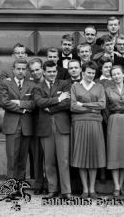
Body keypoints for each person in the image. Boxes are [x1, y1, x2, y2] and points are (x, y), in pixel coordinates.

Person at [33, 60, 72, 199]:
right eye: (49, 71)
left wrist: (50, 108)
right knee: (49, 160)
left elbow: (67, 103)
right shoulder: (37, 87)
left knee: (64, 160)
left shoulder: (65, 83)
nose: (52, 74)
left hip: (62, 125)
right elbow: (39, 102)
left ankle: (66, 191)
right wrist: (57, 99)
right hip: (46, 127)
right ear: (43, 71)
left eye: (54, 71)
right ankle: (52, 189)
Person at [70, 61, 106, 198]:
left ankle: (92, 189)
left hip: (95, 124)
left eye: (93, 73)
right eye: (88, 72)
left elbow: (102, 105)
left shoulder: (99, 87)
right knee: (81, 155)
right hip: (79, 124)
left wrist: (84, 104)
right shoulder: (75, 87)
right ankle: (85, 189)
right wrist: (92, 108)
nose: (90, 75)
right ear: (82, 72)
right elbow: (73, 106)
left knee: (93, 156)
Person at [0, 59, 36, 181]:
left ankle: (19, 187)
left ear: (26, 71)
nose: (20, 71)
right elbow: (4, 103)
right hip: (12, 125)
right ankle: (11, 188)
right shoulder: (5, 83)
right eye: (18, 69)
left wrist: (20, 103)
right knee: (12, 157)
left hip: (26, 126)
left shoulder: (31, 84)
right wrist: (23, 110)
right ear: (13, 70)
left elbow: (34, 103)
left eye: (23, 69)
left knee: (22, 158)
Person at [104, 65, 124, 196]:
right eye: (113, 74)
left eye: (118, 74)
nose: (116, 76)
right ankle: (116, 185)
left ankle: (121, 186)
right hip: (113, 120)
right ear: (111, 76)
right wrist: (110, 120)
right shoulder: (107, 89)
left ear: (123, 74)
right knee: (114, 152)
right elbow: (104, 110)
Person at [28, 58, 48, 195]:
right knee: (37, 155)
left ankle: (49, 183)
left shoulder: (50, 82)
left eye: (37, 69)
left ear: (42, 69)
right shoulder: (29, 85)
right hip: (34, 123)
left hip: (49, 121)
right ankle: (39, 182)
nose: (35, 73)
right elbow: (30, 103)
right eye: (33, 70)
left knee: (50, 155)